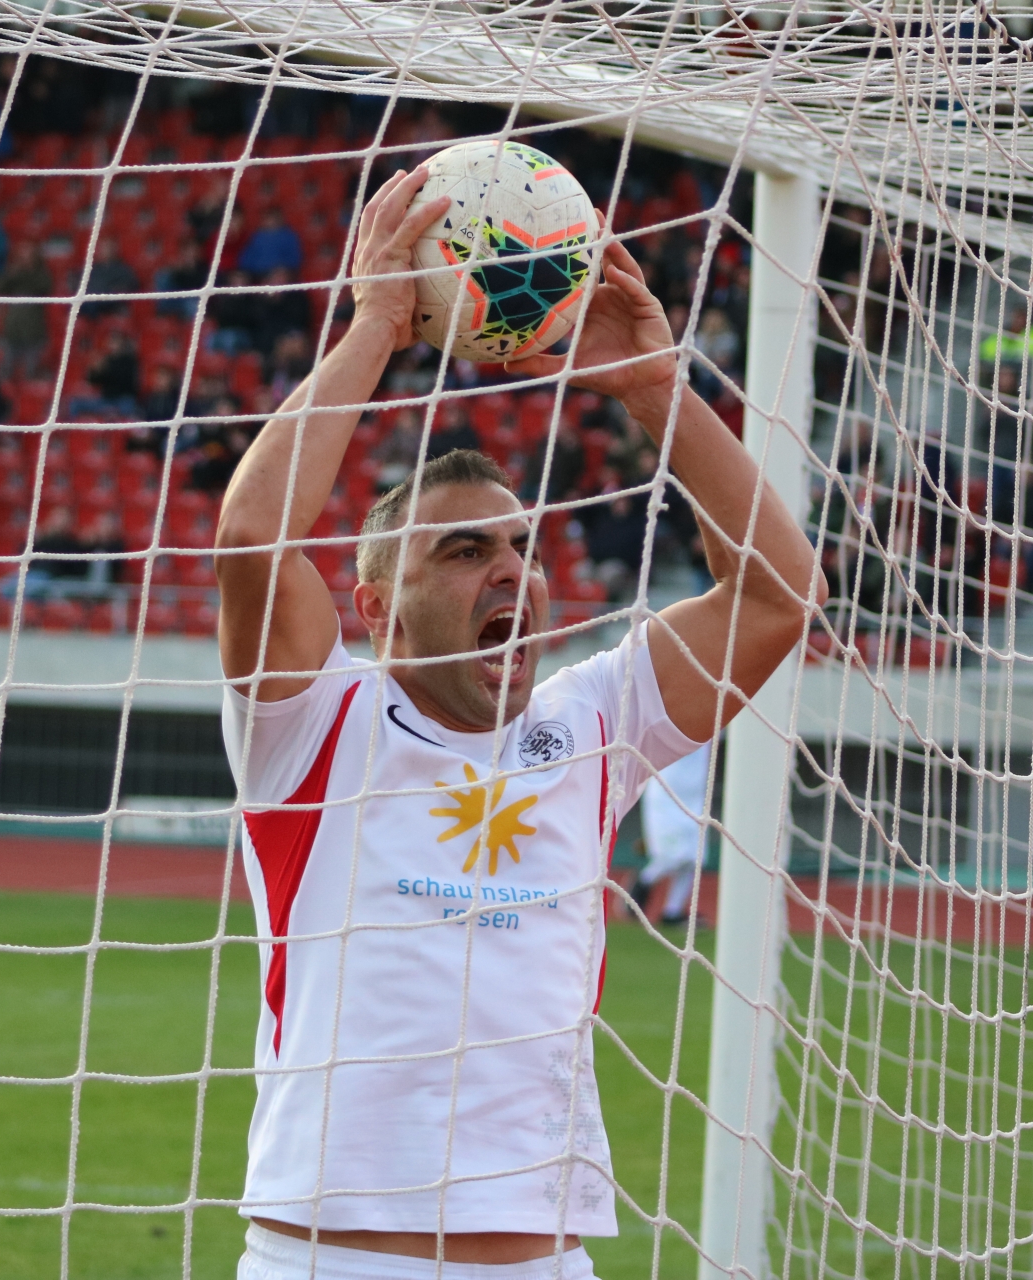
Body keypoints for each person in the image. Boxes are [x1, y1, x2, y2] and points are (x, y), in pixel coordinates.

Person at [212, 164, 823, 1276]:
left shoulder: (591, 723)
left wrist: (655, 392)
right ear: (376, 607)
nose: (512, 570)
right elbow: (253, 539)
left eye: (521, 547)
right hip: (334, 1261)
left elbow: (779, 596)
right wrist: (377, 326)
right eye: (464, 550)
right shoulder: (315, 722)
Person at [627, 739, 714, 925]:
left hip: (695, 799)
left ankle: (672, 912)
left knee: (694, 859)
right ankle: (642, 883)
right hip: (666, 796)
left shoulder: (710, 727)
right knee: (672, 857)